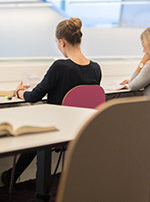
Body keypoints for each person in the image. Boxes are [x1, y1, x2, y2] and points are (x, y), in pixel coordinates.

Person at [1, 18, 102, 186]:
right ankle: (11, 175)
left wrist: (19, 92)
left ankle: (23, 180)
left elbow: (33, 97)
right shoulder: (96, 68)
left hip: (59, 130)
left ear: (62, 42)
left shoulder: (60, 67)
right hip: (84, 129)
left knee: (35, 131)